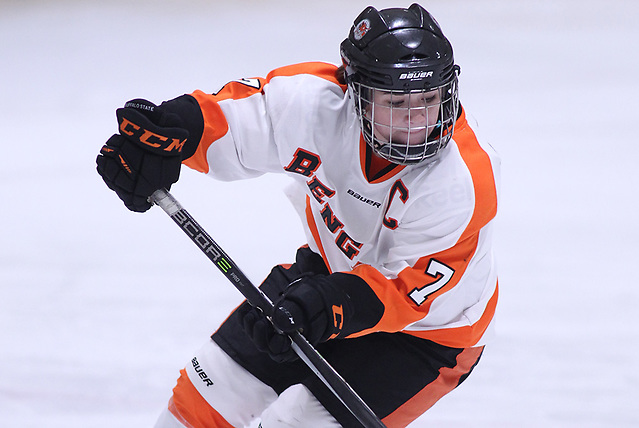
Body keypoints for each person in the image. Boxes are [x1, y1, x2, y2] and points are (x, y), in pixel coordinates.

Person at [96, 4, 500, 427]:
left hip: (427, 336)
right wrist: (162, 137)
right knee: (201, 401)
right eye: (397, 101)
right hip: (324, 278)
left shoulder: (462, 180)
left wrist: (327, 308)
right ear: (355, 92)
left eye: (430, 98)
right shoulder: (315, 103)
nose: (418, 119)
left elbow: (406, 292)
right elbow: (234, 120)